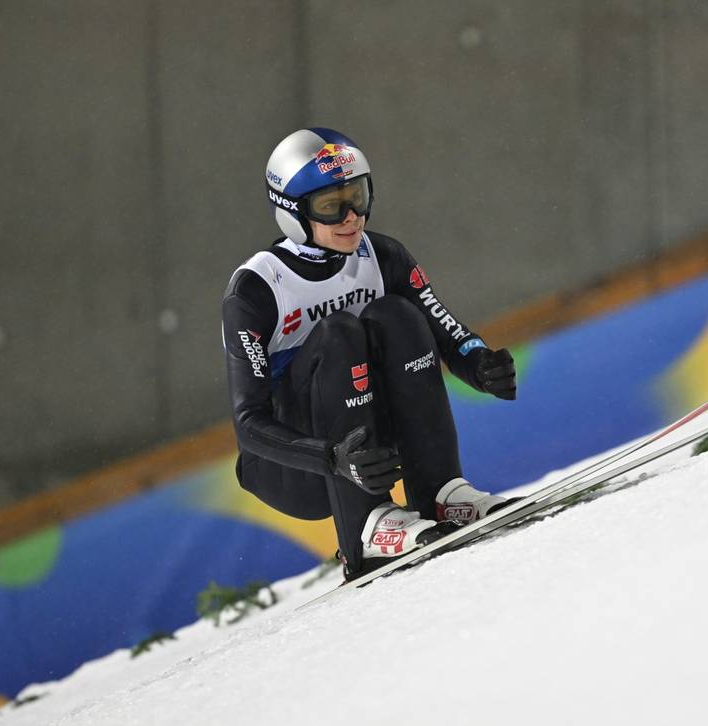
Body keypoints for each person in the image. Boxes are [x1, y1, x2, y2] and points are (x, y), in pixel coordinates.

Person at [221, 127, 518, 581]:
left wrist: (480, 365)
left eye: (356, 195)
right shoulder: (256, 290)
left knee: (397, 315)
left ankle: (440, 493)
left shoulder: (382, 255)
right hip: (298, 468)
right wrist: (329, 456)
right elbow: (249, 425)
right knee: (338, 332)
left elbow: (443, 328)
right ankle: (364, 530)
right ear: (291, 212)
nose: (350, 216)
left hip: (370, 445)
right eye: (329, 205)